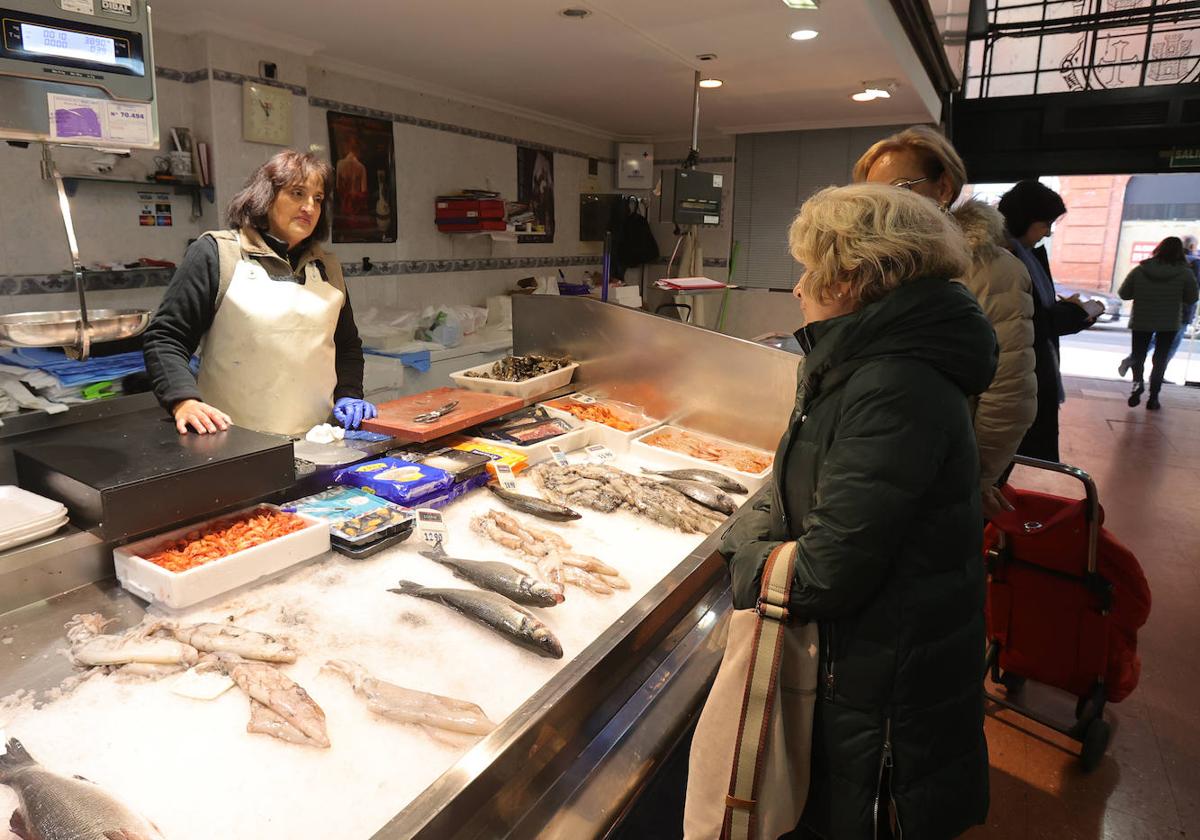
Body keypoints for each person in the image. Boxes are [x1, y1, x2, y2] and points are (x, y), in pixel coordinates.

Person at [720, 184, 995, 839]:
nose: (797, 289)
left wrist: (738, 555)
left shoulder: (895, 381)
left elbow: (825, 574)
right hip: (875, 660)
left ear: (855, 277)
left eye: (809, 269)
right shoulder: (867, 361)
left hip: (883, 683)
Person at [854, 126, 1036, 519]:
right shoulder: (878, 268)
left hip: (939, 472)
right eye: (873, 195)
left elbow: (1009, 396)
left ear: (944, 187)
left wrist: (972, 478)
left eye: (900, 187)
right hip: (875, 462)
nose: (884, 206)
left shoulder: (989, 270)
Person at [143, 150, 376, 437]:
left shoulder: (327, 268)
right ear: (265, 196)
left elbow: (347, 346)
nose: (309, 207)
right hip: (232, 442)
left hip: (319, 438)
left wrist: (349, 392)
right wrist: (182, 400)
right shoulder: (217, 253)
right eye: (297, 193)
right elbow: (165, 337)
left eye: (318, 198)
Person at [997, 180, 1101, 463]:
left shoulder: (1022, 254)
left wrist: (1071, 311)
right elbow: (1028, 323)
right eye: (1045, 224)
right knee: (1000, 463)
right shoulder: (1004, 259)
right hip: (1012, 377)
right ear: (1025, 220)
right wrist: (1077, 313)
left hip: (1025, 370)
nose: (1048, 232)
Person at [1116, 236, 1200, 410]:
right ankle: (1153, 398)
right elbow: (1192, 298)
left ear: (1159, 249)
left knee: (1138, 356)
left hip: (1141, 319)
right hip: (1169, 322)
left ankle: (1137, 386)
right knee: (1160, 359)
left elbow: (1124, 293)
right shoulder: (1185, 273)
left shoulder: (1140, 270)